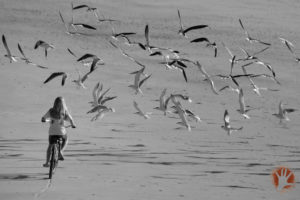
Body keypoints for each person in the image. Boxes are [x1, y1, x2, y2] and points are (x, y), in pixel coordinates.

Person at [41, 96, 76, 167]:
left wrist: (46, 120)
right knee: (66, 140)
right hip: (61, 133)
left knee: (50, 146)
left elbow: (43, 118)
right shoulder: (64, 112)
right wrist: (73, 125)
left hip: (52, 133)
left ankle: (47, 162)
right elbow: (71, 119)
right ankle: (60, 151)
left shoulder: (51, 111)